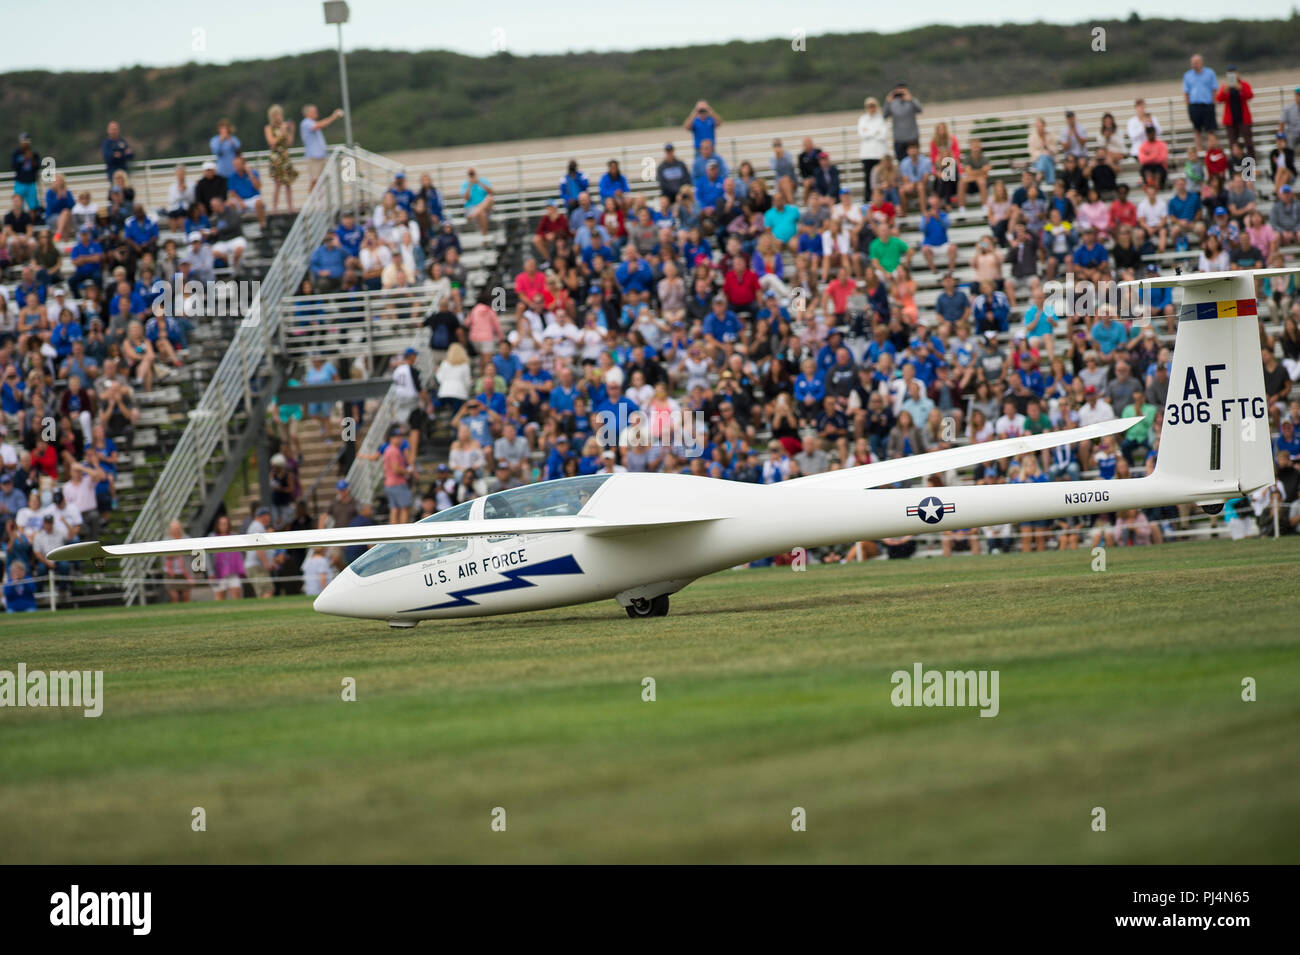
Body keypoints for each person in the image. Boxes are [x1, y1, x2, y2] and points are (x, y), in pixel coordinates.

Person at [300, 104, 345, 190]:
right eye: (314, 111)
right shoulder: (305, 123)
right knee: (314, 180)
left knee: (322, 181)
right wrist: (334, 116)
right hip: (314, 157)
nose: (316, 112)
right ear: (308, 113)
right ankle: (312, 201)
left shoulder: (312, 123)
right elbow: (319, 125)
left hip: (321, 156)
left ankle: (318, 201)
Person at [264, 104, 298, 213]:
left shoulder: (283, 126)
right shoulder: (269, 128)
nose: (278, 117)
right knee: (278, 184)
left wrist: (291, 130)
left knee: (288, 184)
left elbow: (289, 142)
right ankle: (274, 208)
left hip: (285, 157)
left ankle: (291, 207)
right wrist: (282, 132)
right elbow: (272, 143)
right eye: (276, 115)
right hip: (276, 158)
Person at [1183, 53, 1219, 152]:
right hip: (1194, 106)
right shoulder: (1187, 75)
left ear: (1201, 62)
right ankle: (1199, 151)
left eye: (1196, 63)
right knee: (1196, 130)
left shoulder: (1210, 73)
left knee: (1210, 130)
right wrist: (1188, 106)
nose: (1194, 65)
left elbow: (1214, 89)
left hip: (1208, 105)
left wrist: (1213, 103)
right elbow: (1186, 92)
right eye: (1192, 63)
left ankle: (1211, 150)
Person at [1216, 66, 1254, 156]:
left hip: (1243, 118)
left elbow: (1250, 95)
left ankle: (1251, 163)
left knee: (1249, 143)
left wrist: (1240, 88)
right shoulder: (1225, 86)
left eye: (1234, 74)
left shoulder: (1244, 85)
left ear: (1238, 74)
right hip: (1230, 120)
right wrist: (1225, 90)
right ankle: (1235, 164)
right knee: (1233, 144)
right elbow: (1219, 99)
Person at [857, 97, 889, 192]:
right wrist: (875, 132)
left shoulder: (881, 119)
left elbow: (883, 135)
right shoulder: (862, 119)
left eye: (873, 106)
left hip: (879, 154)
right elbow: (862, 134)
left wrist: (868, 131)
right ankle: (869, 199)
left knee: (881, 178)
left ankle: (881, 198)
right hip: (867, 154)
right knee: (868, 178)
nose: (871, 108)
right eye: (869, 106)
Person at [885, 82, 923, 159]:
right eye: (899, 90)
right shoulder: (892, 103)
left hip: (912, 138)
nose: (901, 92)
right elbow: (884, 115)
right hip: (899, 139)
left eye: (903, 90)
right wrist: (887, 102)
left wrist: (911, 99)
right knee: (901, 162)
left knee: (916, 159)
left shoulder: (911, 100)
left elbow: (920, 110)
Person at [461, 168, 495, 234]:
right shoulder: (465, 184)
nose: (472, 175)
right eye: (470, 174)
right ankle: (484, 235)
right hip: (473, 208)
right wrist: (469, 185)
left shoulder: (483, 181)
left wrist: (479, 182)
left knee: (489, 198)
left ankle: (474, 214)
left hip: (485, 208)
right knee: (481, 213)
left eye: (473, 173)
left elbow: (492, 192)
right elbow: (466, 198)